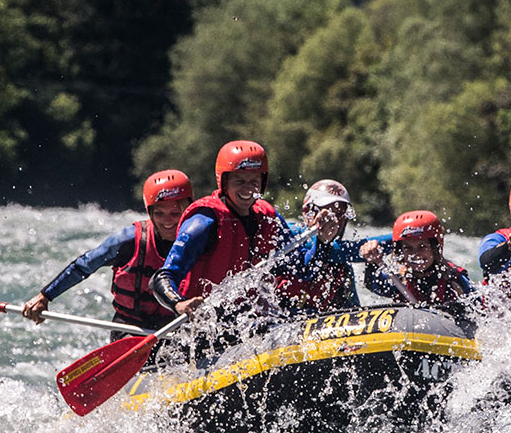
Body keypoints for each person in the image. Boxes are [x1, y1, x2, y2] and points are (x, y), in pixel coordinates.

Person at [150, 139, 303, 336]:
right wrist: (179, 304)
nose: (248, 189)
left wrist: (323, 240)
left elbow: (298, 263)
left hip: (249, 320)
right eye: (239, 181)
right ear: (224, 182)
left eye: (254, 182)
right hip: (203, 327)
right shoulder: (203, 222)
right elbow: (162, 277)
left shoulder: (268, 217)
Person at [22, 170, 193, 339]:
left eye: (175, 214)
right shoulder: (129, 240)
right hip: (130, 330)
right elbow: (83, 266)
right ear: (149, 212)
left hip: (176, 331)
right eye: (159, 214)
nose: (167, 221)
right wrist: (45, 296)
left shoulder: (201, 240)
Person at [273, 179, 361, 315]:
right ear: (307, 212)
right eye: (327, 213)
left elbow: (354, 313)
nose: (333, 220)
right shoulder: (290, 236)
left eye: (339, 214)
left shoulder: (342, 267)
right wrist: (321, 241)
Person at [361, 210, 474, 311]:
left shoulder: (454, 279)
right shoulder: (398, 279)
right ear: (400, 251)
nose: (415, 254)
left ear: (435, 248)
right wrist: (371, 262)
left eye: (422, 247)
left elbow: (478, 310)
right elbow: (374, 285)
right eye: (408, 248)